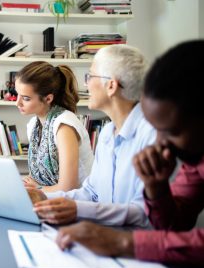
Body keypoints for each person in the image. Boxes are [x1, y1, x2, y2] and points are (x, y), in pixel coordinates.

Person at [56, 40, 204, 265]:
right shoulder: (194, 162)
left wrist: (123, 242)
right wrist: (157, 189)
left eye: (171, 131)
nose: (160, 142)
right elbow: (175, 226)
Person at [31, 45, 154, 227]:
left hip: (135, 247)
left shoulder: (151, 135)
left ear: (111, 86)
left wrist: (77, 209)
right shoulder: (107, 133)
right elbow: (91, 192)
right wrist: (42, 196)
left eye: (90, 76)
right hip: (106, 237)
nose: (86, 84)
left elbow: (143, 212)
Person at [15, 61, 93, 192]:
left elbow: (68, 187)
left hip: (80, 202)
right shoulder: (33, 125)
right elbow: (37, 177)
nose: (18, 103)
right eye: (17, 94)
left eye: (26, 98)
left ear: (48, 99)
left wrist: (37, 188)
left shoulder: (64, 126)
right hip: (51, 198)